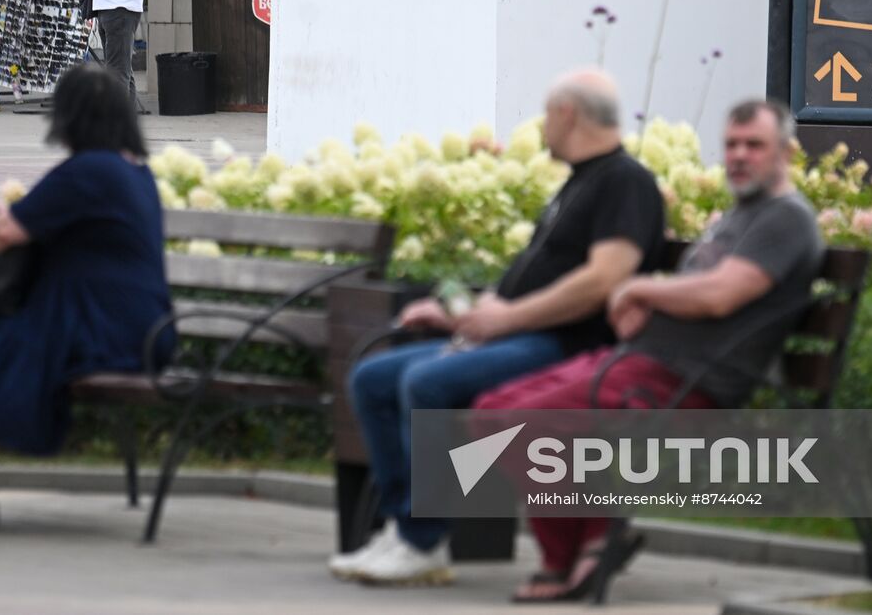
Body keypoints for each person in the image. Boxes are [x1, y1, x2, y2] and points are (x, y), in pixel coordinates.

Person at [473, 99, 825, 602]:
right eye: (731, 145)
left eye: (755, 145)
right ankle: (595, 538)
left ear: (786, 153)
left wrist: (639, 291)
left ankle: (565, 558)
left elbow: (721, 293)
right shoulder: (743, 213)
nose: (740, 155)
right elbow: (698, 289)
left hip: (687, 383)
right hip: (643, 363)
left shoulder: (786, 219)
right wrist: (650, 304)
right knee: (490, 411)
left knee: (519, 423)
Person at [330, 69, 665, 587]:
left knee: (427, 382)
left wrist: (505, 319)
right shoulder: (579, 182)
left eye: (546, 115)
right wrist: (462, 316)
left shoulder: (626, 181)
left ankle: (424, 540)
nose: (542, 127)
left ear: (567, 114)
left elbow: (605, 279)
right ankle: (403, 528)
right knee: (373, 379)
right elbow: (534, 279)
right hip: (519, 334)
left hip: (567, 346)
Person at [0, 64, 176, 531]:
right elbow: (65, 223)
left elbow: (1, 236)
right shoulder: (132, 171)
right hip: (140, 328)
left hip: (101, 332)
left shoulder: (87, 169)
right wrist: (9, 215)